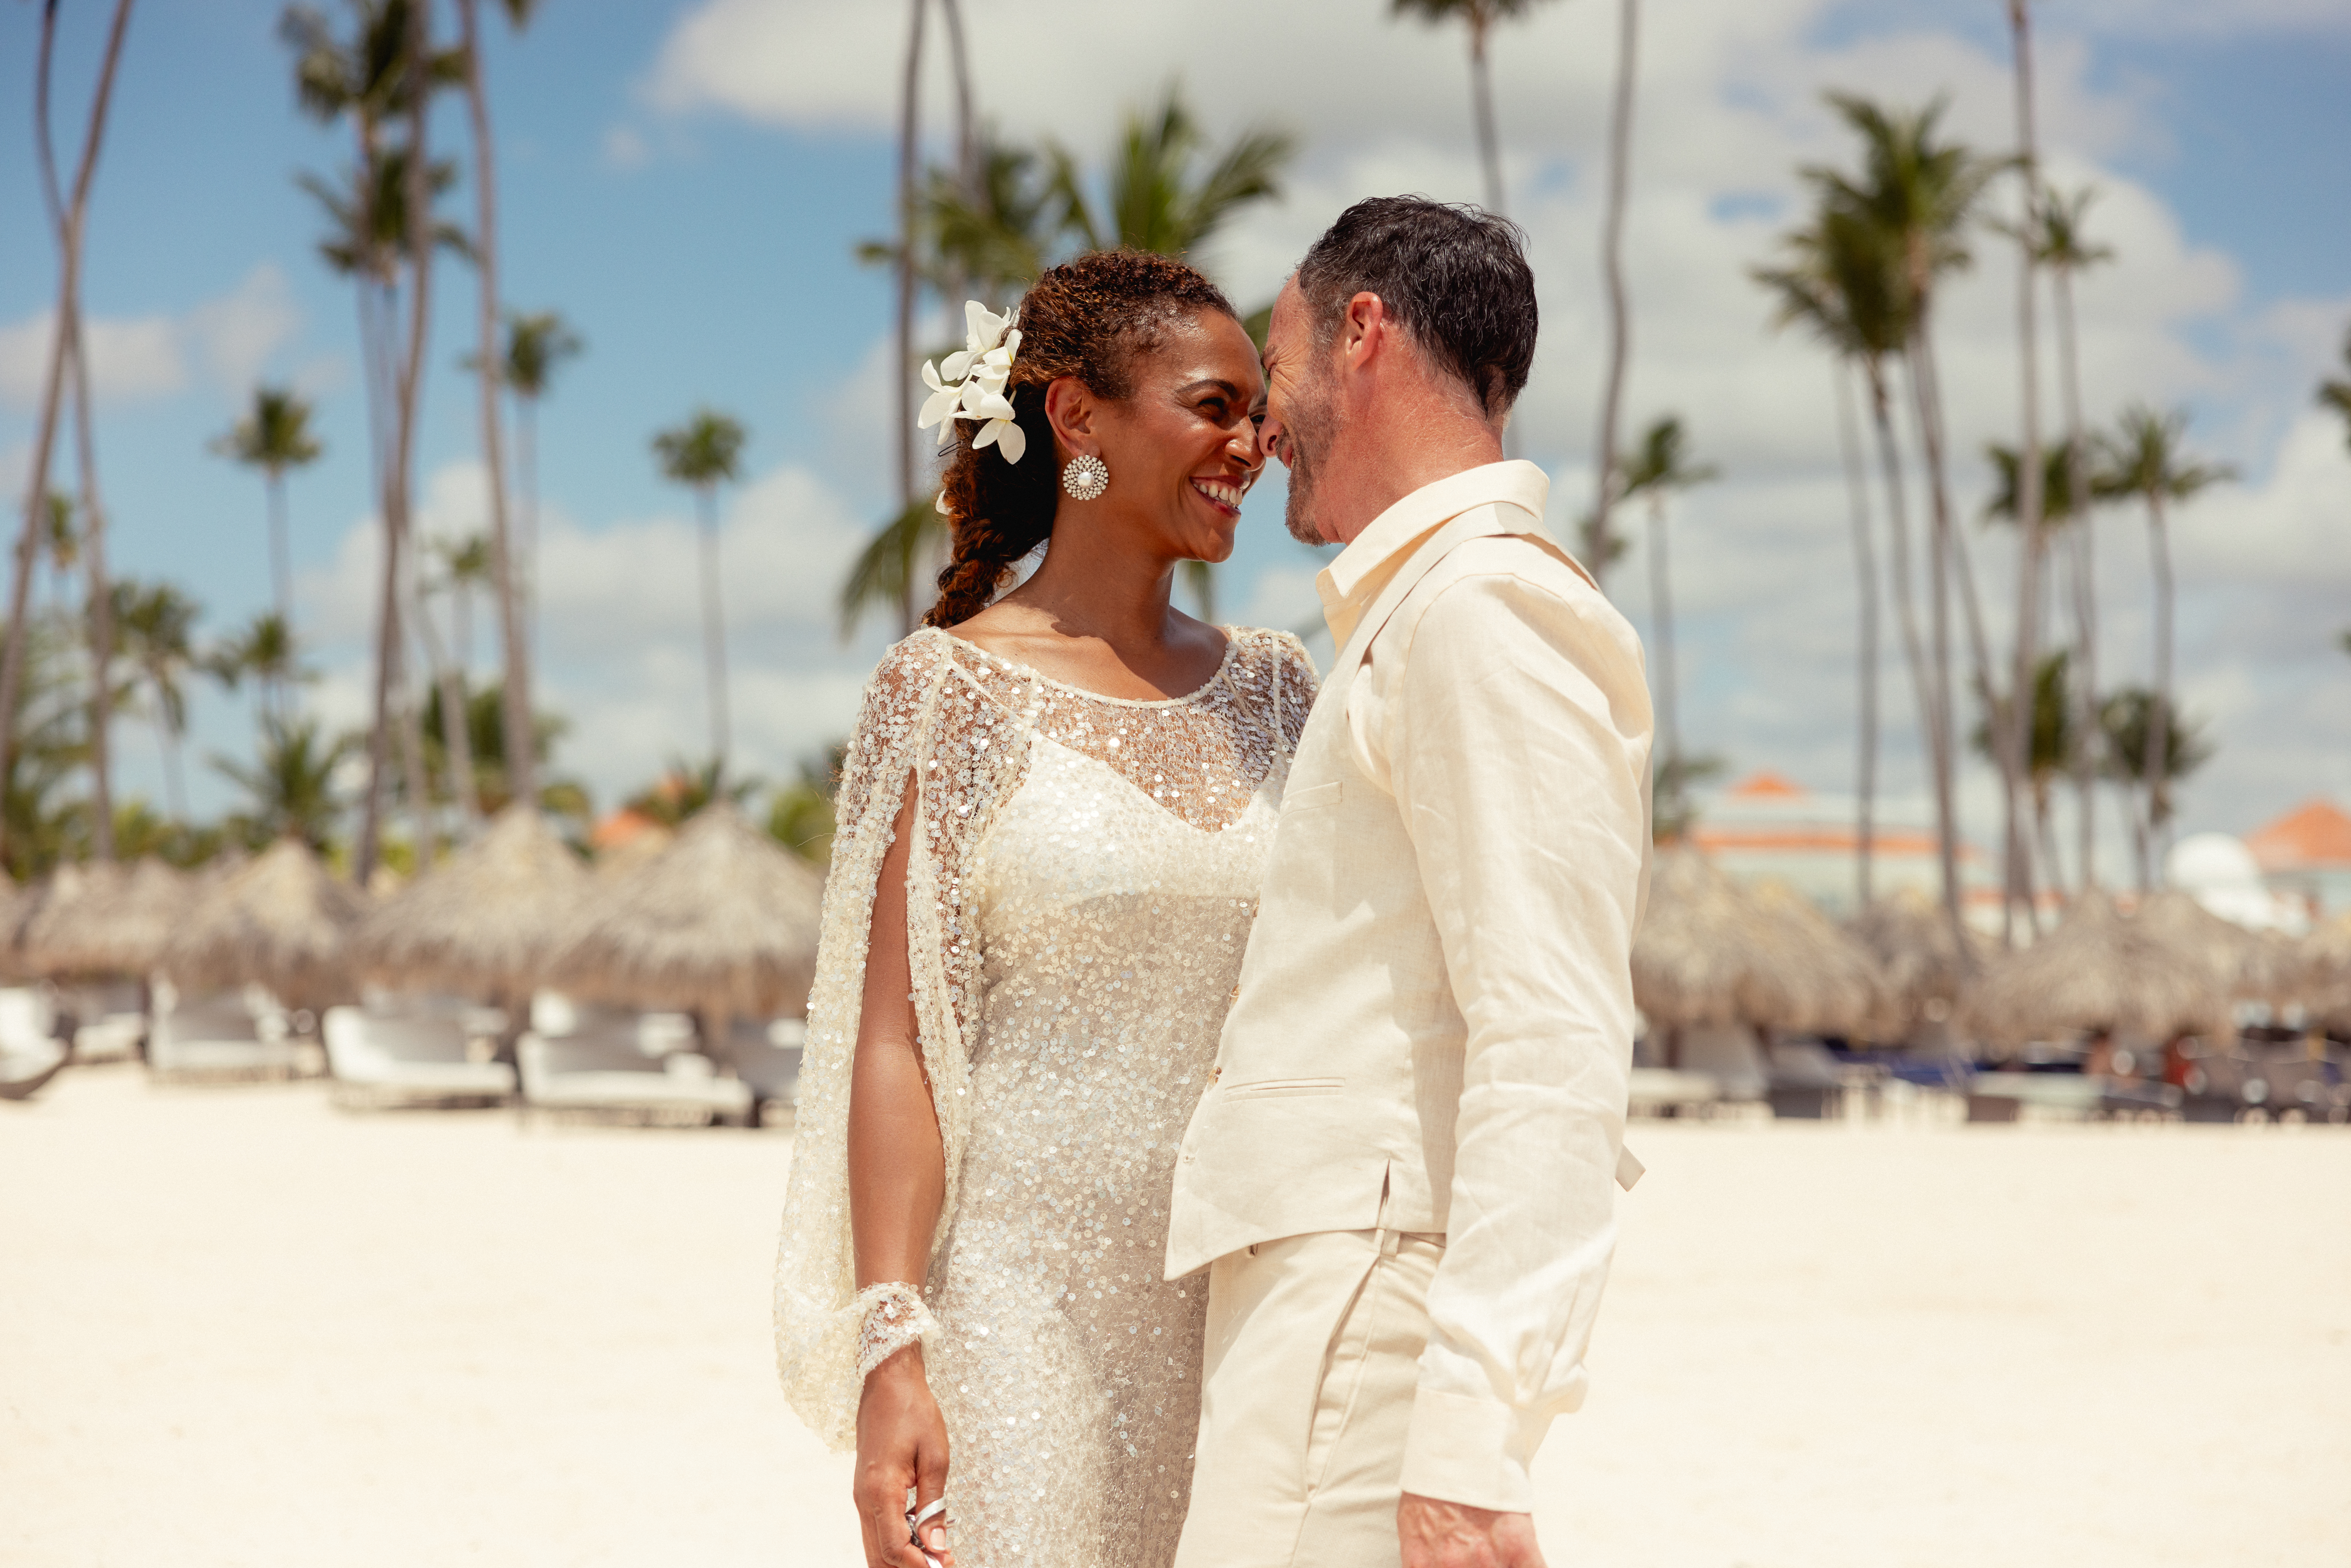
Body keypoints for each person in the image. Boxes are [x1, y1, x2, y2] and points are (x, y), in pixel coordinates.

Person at [772, 251, 1315, 1568]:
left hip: (1242, 1299)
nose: (1251, 444)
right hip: (1015, 1307)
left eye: (1258, 413)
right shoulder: (944, 691)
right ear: (1076, 418)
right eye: (1212, 406)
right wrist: (893, 1347)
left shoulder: (1282, 690)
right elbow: (894, 1037)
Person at [1166, 197, 1654, 1568]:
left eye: (1280, 364)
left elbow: (1551, 1032)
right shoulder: (1430, 612)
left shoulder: (1483, 610)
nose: (1262, 431)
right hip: (1332, 1294)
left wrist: (1465, 1447)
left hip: (1361, 1313)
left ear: (1360, 334)